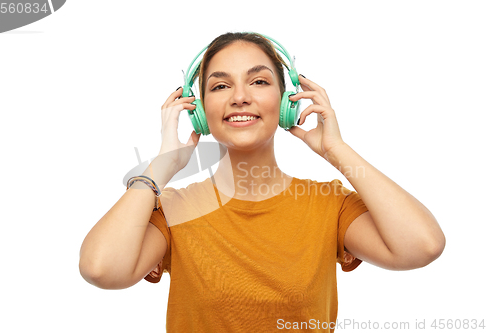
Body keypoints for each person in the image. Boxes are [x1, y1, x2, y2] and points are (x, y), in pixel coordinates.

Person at [79, 32, 446, 332]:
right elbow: (101, 269)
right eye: (220, 86)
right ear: (200, 111)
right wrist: (160, 168)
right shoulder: (174, 210)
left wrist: (336, 150)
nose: (240, 97)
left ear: (286, 101)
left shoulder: (327, 205)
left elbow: (422, 246)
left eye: (258, 81)